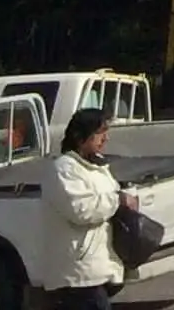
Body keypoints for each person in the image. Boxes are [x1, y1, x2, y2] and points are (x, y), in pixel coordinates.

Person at [41, 107, 133, 309]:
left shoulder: (98, 167)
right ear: (80, 136)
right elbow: (81, 210)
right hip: (76, 274)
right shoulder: (64, 169)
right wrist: (118, 201)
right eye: (100, 132)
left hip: (98, 268)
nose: (105, 138)